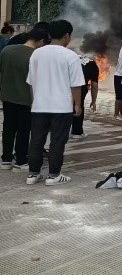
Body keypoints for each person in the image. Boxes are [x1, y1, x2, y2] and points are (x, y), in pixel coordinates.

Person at [25, 20, 85, 186]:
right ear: (66, 35)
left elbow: (30, 82)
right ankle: (54, 175)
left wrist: (34, 101)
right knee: (57, 141)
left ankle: (33, 174)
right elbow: (76, 84)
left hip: (39, 105)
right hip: (61, 107)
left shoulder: (36, 54)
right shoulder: (70, 56)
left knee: (36, 140)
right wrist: (77, 105)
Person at [0, 29, 46, 171]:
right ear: (41, 41)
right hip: (26, 99)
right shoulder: (36, 55)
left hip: (7, 96)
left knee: (8, 127)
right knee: (23, 130)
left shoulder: (7, 50)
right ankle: (20, 160)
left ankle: (6, 159)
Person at [70, 54, 100, 140]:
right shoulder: (92, 64)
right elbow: (94, 85)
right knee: (78, 106)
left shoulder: (70, 59)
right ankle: (77, 132)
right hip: (81, 87)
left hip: (65, 86)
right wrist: (93, 101)